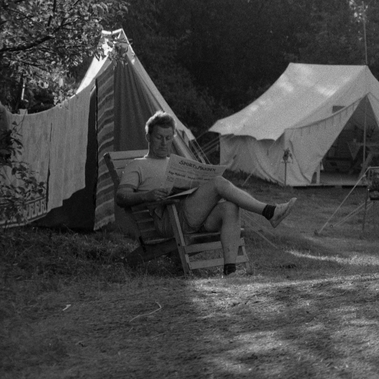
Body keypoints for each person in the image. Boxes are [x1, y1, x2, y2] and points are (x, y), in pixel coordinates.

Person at [116, 111, 297, 276]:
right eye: (158, 138)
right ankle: (269, 211)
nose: (164, 143)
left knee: (230, 207)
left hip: (191, 213)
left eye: (168, 138)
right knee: (218, 183)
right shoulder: (137, 165)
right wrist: (147, 196)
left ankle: (230, 271)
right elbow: (121, 197)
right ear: (148, 137)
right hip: (169, 219)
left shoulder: (176, 162)